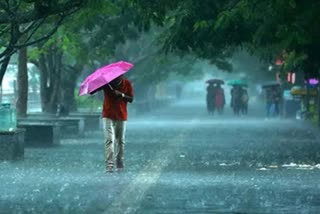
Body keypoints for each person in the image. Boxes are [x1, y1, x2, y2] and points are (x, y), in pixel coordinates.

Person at [91, 75, 133, 173]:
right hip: (108, 114)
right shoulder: (107, 84)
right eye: (114, 77)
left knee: (120, 140)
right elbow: (91, 92)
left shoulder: (127, 83)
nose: (116, 78)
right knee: (109, 140)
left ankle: (119, 161)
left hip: (121, 115)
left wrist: (121, 95)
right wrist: (99, 85)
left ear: (121, 76)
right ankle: (109, 164)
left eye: (118, 77)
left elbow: (131, 99)